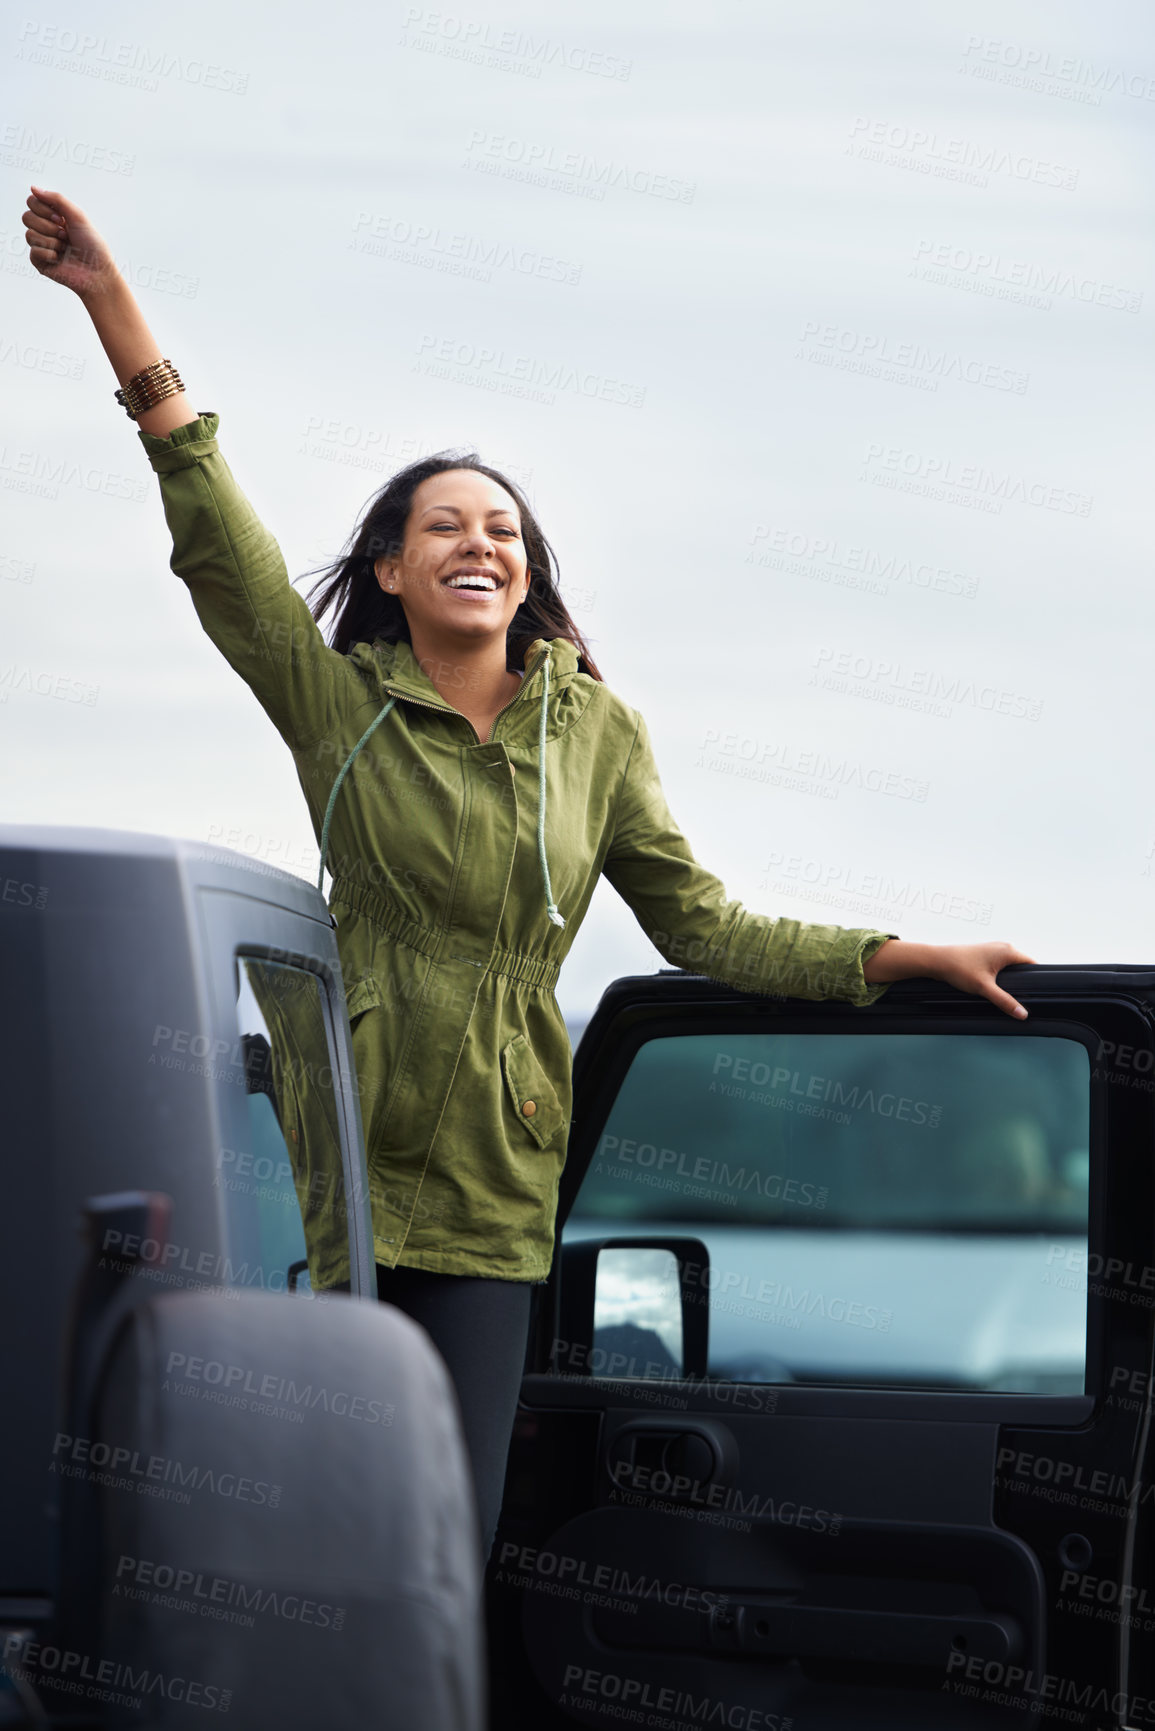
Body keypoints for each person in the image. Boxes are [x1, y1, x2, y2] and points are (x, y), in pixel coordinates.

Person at [22, 186, 1034, 1561]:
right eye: (442, 526)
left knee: (447, 1536)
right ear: (389, 569)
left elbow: (703, 922)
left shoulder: (599, 737)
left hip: (502, 1181)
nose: (478, 542)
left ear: (528, 572)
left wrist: (892, 957)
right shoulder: (343, 706)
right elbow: (222, 544)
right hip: (355, 1167)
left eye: (501, 529)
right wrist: (111, 308)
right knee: (332, 1533)